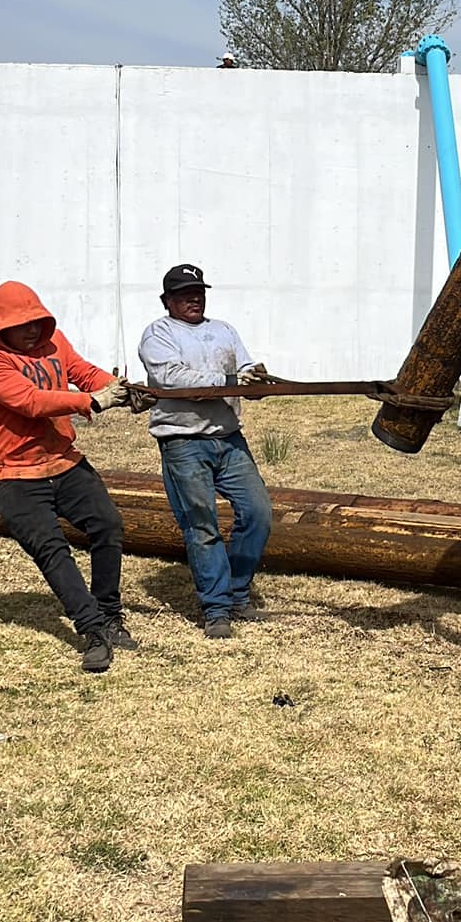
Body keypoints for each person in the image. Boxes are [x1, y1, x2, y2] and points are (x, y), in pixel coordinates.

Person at [0, 281, 134, 674]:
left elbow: (80, 371)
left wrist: (116, 389)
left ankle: (109, 612)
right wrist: (90, 401)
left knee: (108, 525)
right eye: (22, 324)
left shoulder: (54, 340)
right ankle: (93, 631)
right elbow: (30, 401)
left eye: (37, 321)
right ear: (0, 326)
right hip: (10, 471)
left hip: (61, 458)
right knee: (51, 548)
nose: (31, 330)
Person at [138, 263, 273, 640]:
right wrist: (229, 381)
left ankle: (236, 592)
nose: (193, 299)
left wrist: (256, 380)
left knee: (258, 513)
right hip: (183, 441)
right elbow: (173, 379)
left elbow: (247, 368)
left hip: (228, 438)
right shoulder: (159, 334)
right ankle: (217, 609)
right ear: (167, 301)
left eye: (198, 292)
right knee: (201, 526)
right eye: (183, 294)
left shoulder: (223, 330)